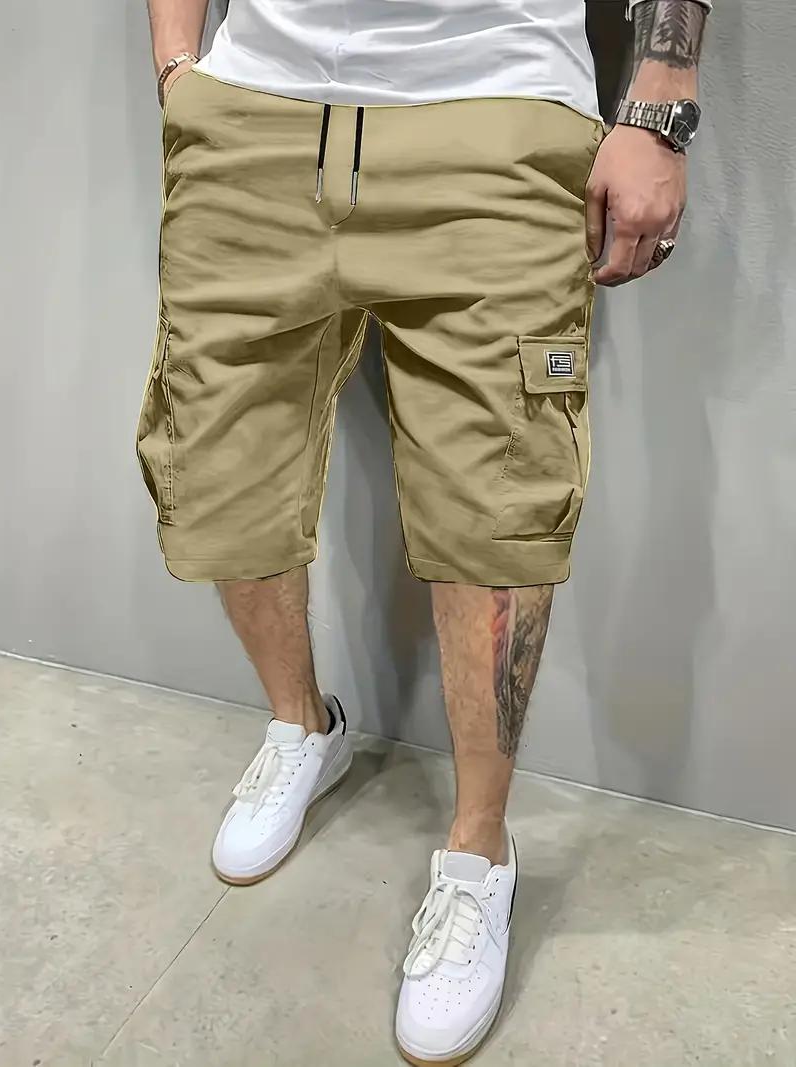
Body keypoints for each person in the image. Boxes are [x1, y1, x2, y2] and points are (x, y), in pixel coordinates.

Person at [139, 0, 709, 1061]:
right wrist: (179, 71)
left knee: (496, 511)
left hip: (494, 113)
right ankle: (302, 727)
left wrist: (660, 100)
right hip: (250, 116)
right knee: (220, 472)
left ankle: (479, 851)